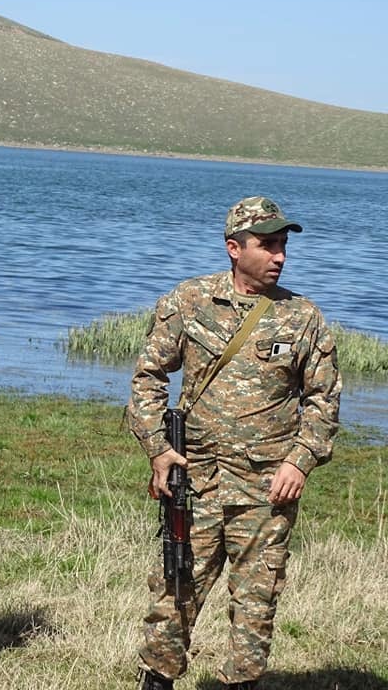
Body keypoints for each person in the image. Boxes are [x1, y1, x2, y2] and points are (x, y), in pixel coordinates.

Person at [127, 196, 341, 689]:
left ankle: (241, 682)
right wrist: (158, 448)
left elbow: (323, 399)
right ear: (234, 248)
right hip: (196, 480)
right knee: (176, 589)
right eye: (268, 245)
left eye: (283, 245)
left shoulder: (302, 317)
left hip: (267, 489)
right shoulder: (190, 301)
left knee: (256, 605)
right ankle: (157, 679)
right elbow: (148, 377)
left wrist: (300, 461)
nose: (279, 256)